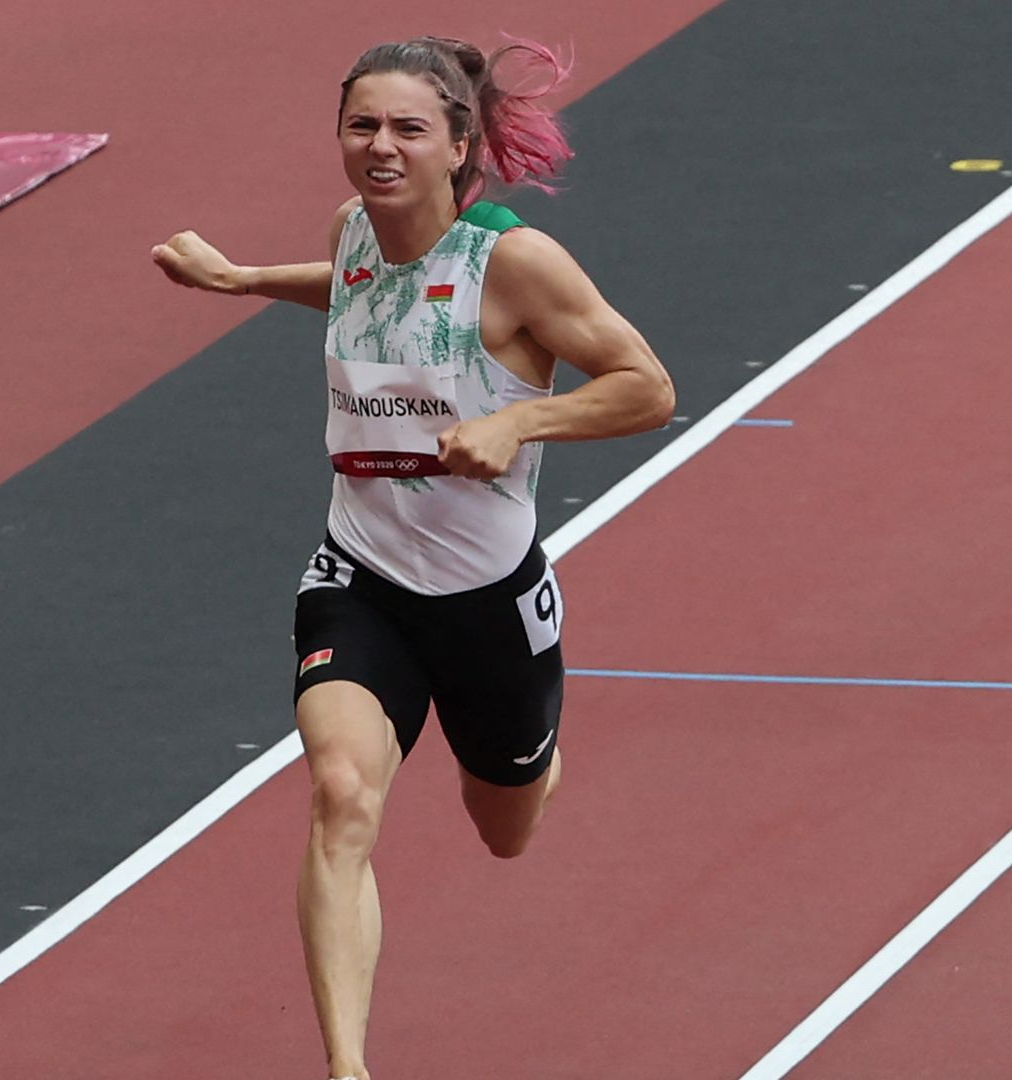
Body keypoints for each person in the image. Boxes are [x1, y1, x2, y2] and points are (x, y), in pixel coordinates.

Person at [150, 36, 674, 1080]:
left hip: (487, 603)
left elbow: (647, 387)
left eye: (407, 129)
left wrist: (521, 423)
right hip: (362, 580)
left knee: (505, 828)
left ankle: (532, 758)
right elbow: (362, 294)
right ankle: (348, 1068)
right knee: (342, 794)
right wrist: (243, 279)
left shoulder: (516, 264)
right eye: (362, 126)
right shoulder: (353, 233)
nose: (380, 147)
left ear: (459, 145)